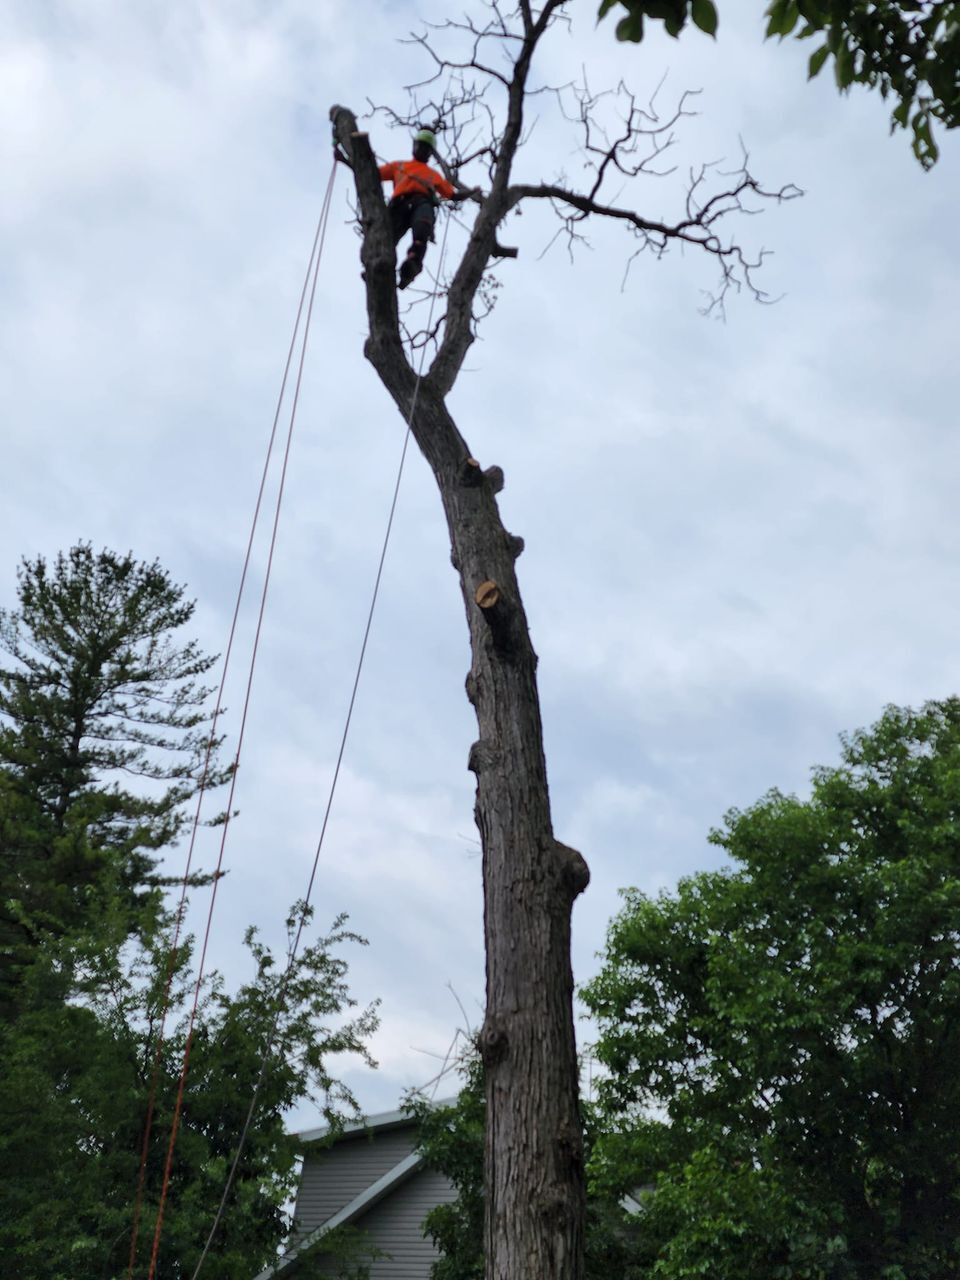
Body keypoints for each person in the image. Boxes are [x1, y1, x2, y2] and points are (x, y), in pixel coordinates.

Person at [377, 129, 469, 289]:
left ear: (430, 153)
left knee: (422, 227)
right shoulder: (399, 166)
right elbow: (371, 172)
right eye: (420, 146)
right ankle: (380, 267)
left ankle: (412, 263)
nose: (421, 150)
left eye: (425, 148)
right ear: (414, 146)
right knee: (386, 238)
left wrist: (470, 192)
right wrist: (348, 160)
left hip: (422, 202)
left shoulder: (433, 174)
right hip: (399, 204)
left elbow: (452, 195)